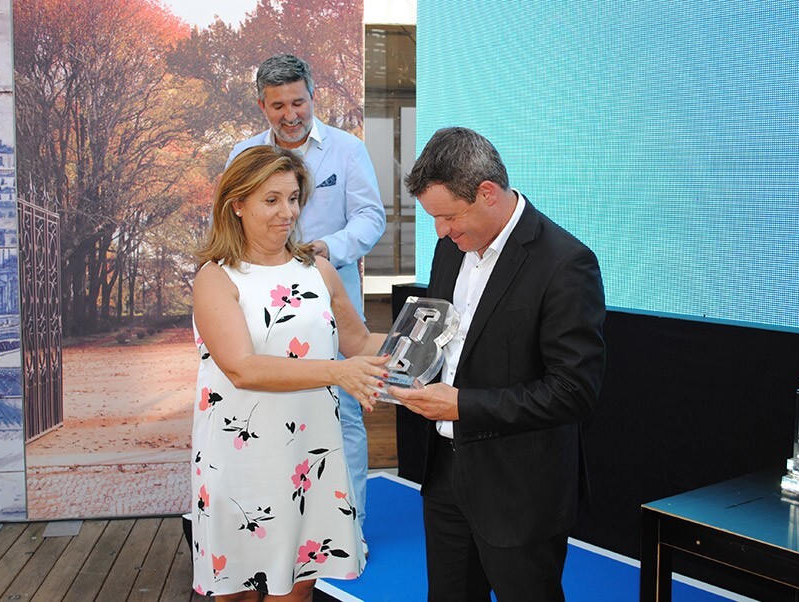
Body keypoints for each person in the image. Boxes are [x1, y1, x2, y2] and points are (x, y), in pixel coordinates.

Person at [388, 127, 606, 601]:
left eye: (447, 216)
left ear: (487, 192)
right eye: (434, 218)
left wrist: (462, 406)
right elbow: (446, 341)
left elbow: (573, 392)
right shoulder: (451, 248)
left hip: (520, 490)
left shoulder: (566, 263)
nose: (441, 231)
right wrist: (397, 374)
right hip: (444, 477)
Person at [191, 146, 387, 601]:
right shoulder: (216, 278)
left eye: (294, 198)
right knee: (237, 592)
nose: (288, 212)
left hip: (310, 458)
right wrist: (338, 373)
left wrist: (437, 339)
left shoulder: (319, 270)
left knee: (297, 592)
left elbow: (359, 343)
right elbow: (242, 368)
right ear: (237, 204)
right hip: (241, 461)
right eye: (272, 200)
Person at [226, 54, 385, 535]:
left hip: (330, 302)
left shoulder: (348, 150)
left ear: (313, 96)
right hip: (262, 308)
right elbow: (230, 221)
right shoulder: (243, 154)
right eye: (278, 106)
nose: (290, 114)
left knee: (343, 409)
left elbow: (370, 218)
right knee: (272, 409)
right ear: (262, 106)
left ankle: (350, 527)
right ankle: (282, 529)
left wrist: (326, 250)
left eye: (298, 102)